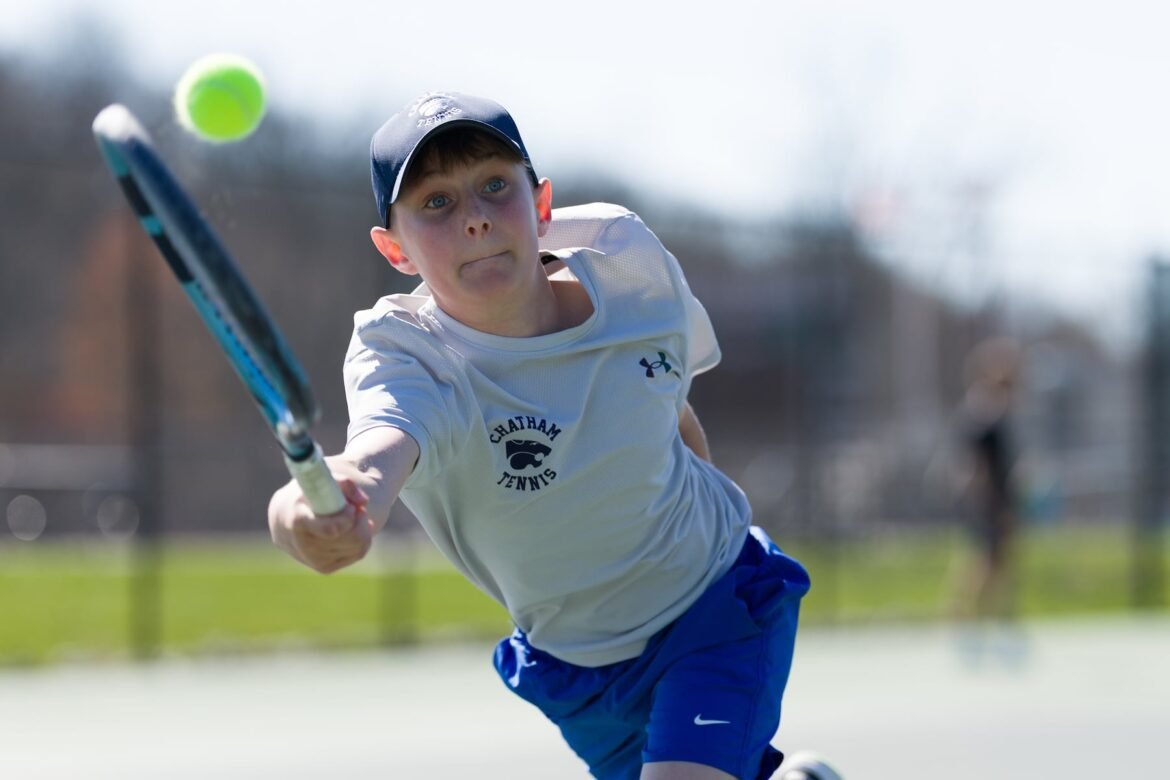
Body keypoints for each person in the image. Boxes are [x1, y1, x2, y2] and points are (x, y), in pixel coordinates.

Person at [267, 91, 839, 780]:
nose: (476, 218)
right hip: (579, 671)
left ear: (540, 205)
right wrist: (318, 505)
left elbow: (666, 403)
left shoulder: (632, 267)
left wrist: (698, 542)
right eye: (436, 204)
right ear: (395, 250)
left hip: (717, 612)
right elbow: (377, 450)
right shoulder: (406, 355)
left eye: (494, 187)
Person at [950, 336, 1024, 661]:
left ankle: (996, 627)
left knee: (998, 567)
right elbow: (977, 466)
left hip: (999, 501)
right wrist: (993, 505)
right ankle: (966, 624)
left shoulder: (999, 411)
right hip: (990, 505)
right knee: (984, 567)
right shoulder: (984, 412)